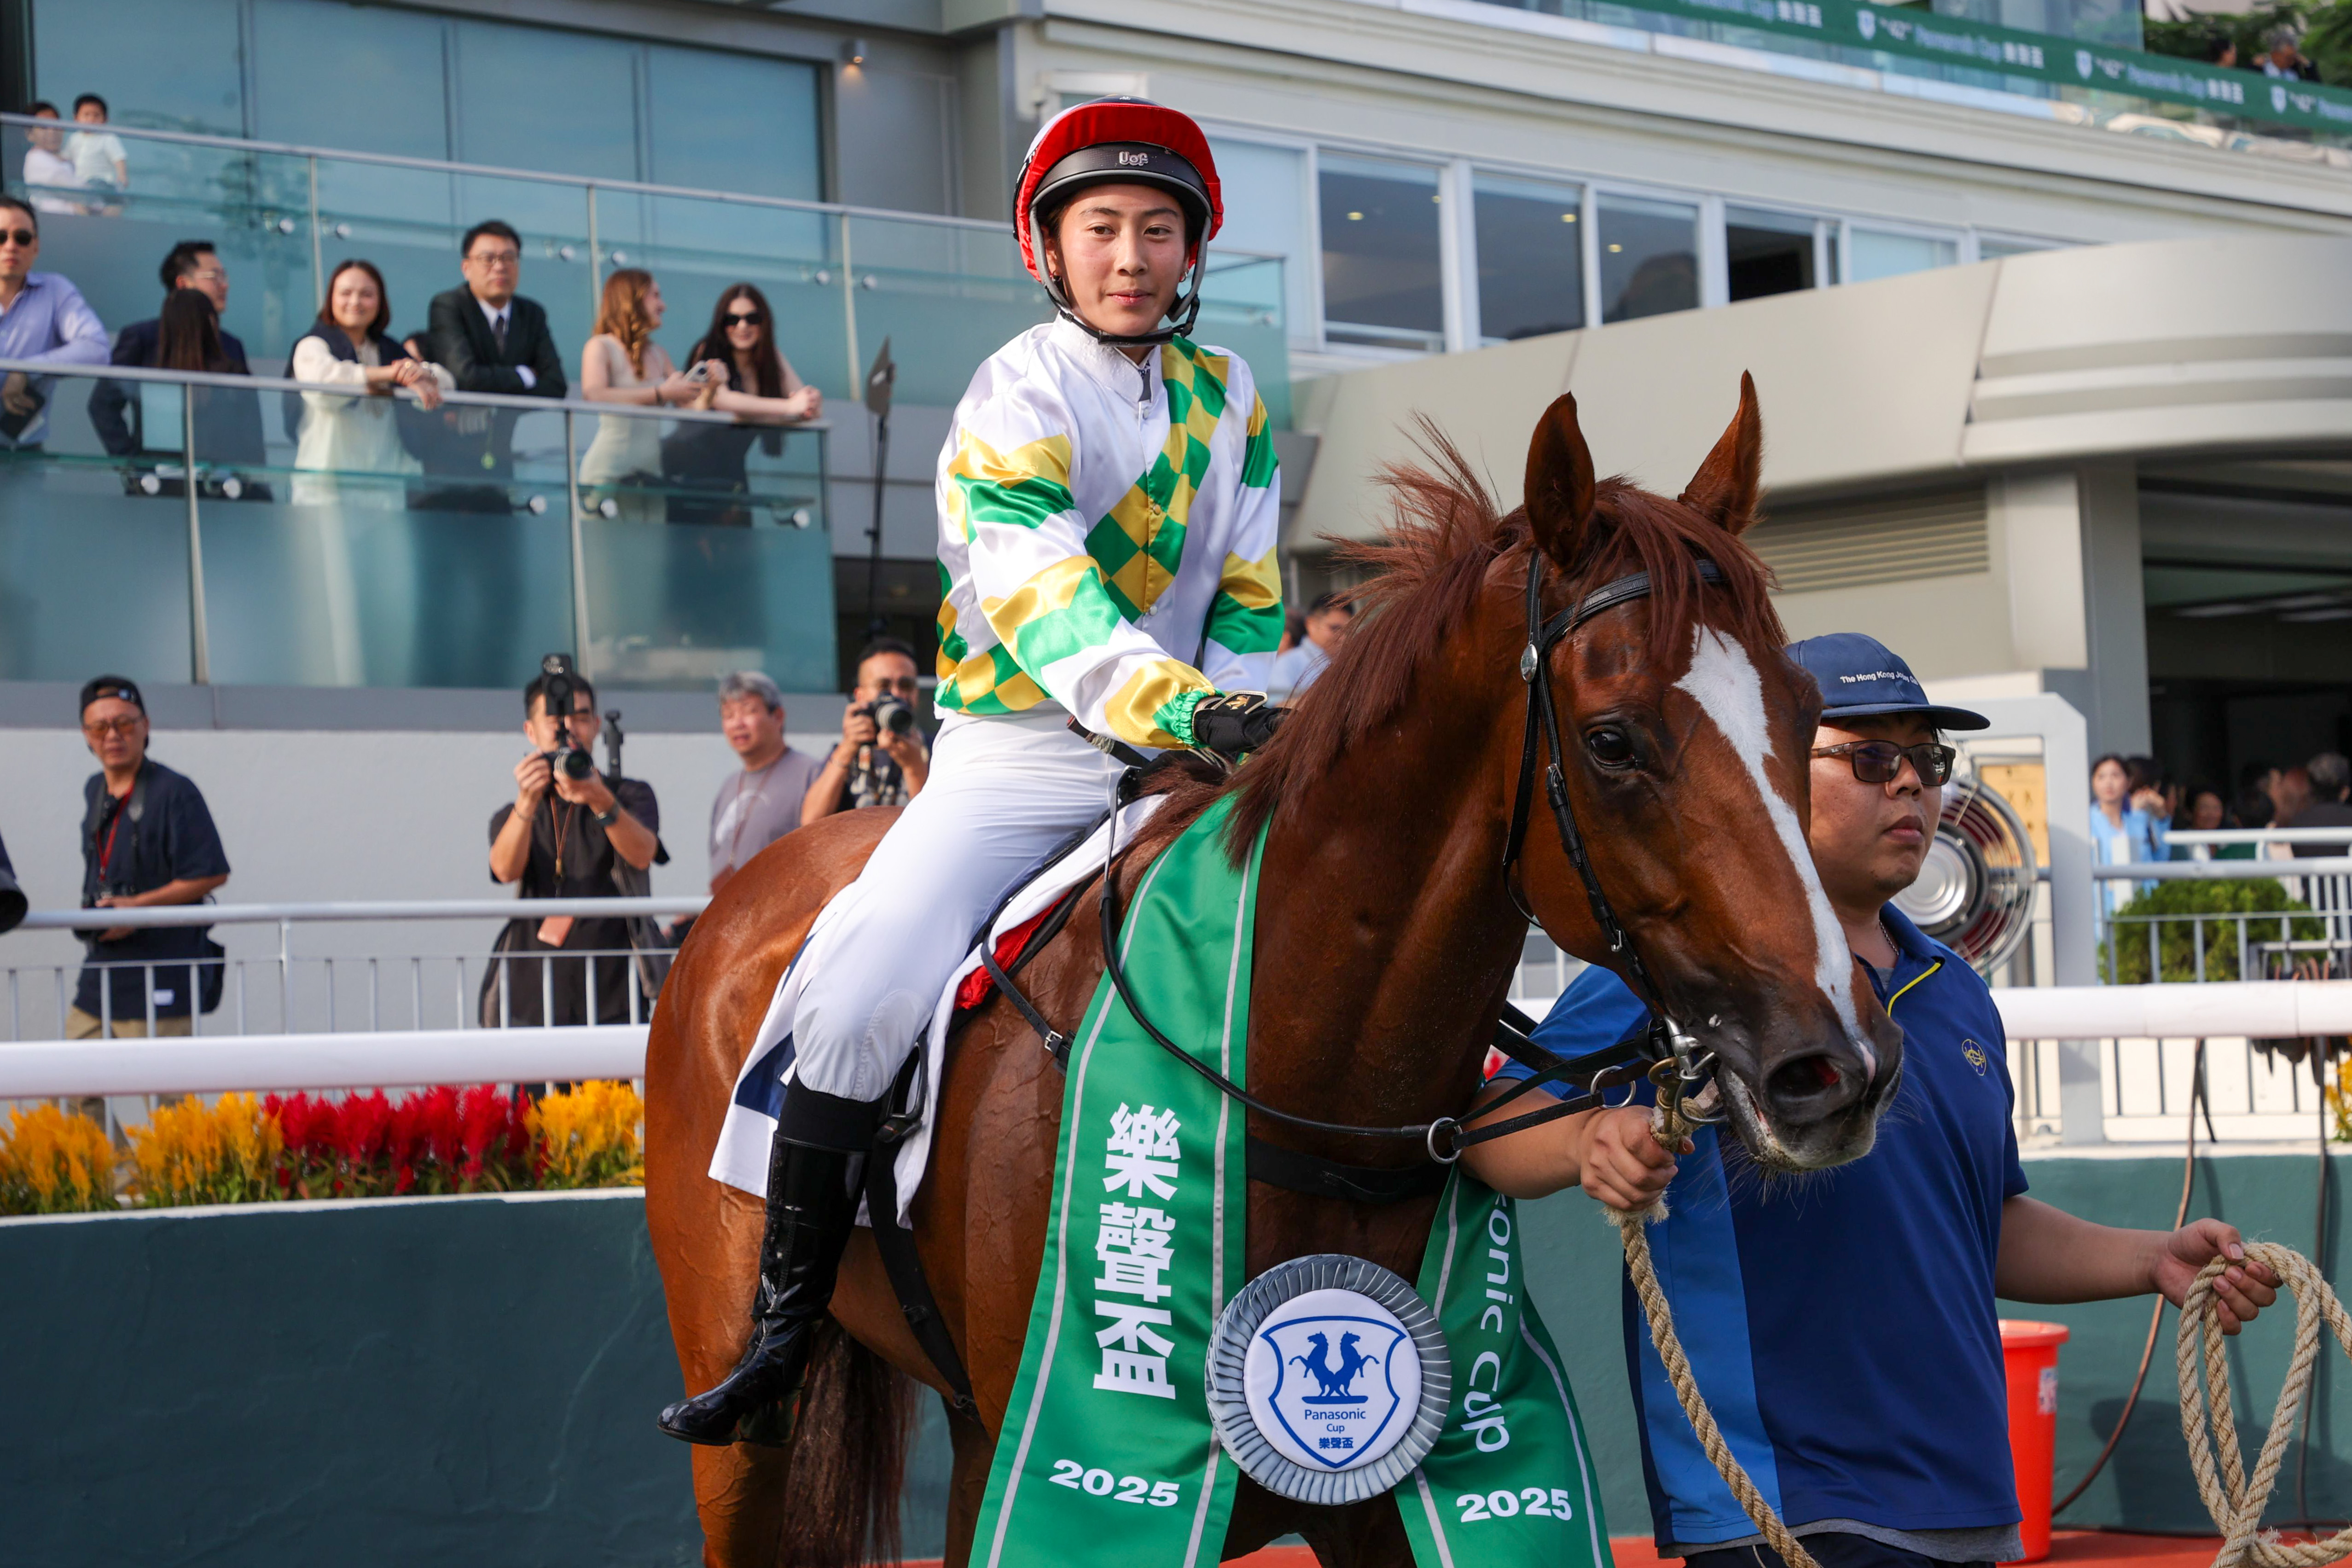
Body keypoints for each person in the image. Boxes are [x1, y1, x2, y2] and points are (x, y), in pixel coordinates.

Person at [658, 97, 1284, 1445]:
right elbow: (1041, 596)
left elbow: (1246, 586)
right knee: (857, 984)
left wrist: (1247, 703)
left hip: (1187, 763)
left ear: (1192, 252)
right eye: (1101, 228)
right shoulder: (1015, 388)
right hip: (1024, 761)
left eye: (1157, 230)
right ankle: (784, 1321)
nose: (1130, 255)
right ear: (1046, 251)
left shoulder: (1229, 396)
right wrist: (1194, 711)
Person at [1465, 632, 2280, 1568]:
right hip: (1780, 1508)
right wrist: (1587, 1141)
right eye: (1869, 756)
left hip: (1965, 1499)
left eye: (1926, 760)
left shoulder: (1955, 989)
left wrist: (2153, 1259)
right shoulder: (1686, 970)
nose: (1911, 786)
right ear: (1769, 766)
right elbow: (1495, 1129)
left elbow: (1983, 1221)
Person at [484, 665, 663, 1027]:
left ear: (596, 726)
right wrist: (526, 800)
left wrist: (599, 798)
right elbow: (504, 871)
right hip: (533, 987)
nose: (568, 729)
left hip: (613, 987)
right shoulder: (516, 809)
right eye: (555, 719)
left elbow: (643, 854)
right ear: (531, 732)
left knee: (615, 1085)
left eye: (580, 718)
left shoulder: (628, 794)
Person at [69, 676, 231, 1047]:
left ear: (146, 727)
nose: (113, 735)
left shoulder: (174, 791)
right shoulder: (95, 788)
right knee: (72, 1088)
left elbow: (212, 873)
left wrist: (136, 908)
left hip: (161, 967)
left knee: (166, 1098)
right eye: (99, 727)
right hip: (103, 965)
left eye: (125, 723)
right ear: (86, 735)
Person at [659, 283, 821, 527]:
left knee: (739, 553)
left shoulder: (770, 357)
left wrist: (810, 402)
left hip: (733, 471)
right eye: (732, 319)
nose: (742, 326)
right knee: (694, 552)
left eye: (752, 318)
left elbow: (803, 403)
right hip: (690, 470)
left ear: (763, 322)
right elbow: (723, 401)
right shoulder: (708, 351)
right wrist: (789, 408)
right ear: (721, 324)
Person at [291, 258, 450, 506]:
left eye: (366, 294)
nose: (355, 302)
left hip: (386, 488)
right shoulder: (313, 345)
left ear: (380, 302)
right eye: (345, 293)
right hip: (327, 490)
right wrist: (390, 375)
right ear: (330, 299)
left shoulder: (389, 350)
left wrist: (420, 374)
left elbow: (447, 384)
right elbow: (324, 385)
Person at [423, 218, 567, 482]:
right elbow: (466, 377)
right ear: (466, 268)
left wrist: (491, 380)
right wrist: (525, 376)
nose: (500, 267)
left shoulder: (531, 313)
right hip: (450, 462)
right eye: (488, 258)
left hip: (505, 456)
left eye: (509, 258)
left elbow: (556, 386)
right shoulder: (449, 306)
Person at [578, 267, 715, 524]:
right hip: (608, 473)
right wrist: (661, 392)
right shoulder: (601, 346)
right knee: (605, 560)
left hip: (651, 475)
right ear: (633, 297)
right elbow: (593, 394)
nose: (663, 305)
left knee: (649, 558)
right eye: (655, 295)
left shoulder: (659, 354)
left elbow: (691, 410)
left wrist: (713, 387)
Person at [90, 240, 250, 456]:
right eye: (214, 277)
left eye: (224, 276)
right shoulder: (143, 337)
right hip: (160, 476)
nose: (225, 285)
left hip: (221, 479)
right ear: (183, 284)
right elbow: (103, 405)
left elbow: (246, 421)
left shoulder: (232, 345)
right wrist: (133, 465)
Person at [0, 197, 109, 452]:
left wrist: (26, 370)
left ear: (35, 247)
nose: (11, 246)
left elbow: (97, 349)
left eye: (22, 238)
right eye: (1, 237)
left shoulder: (56, 291)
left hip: (22, 453)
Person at [708, 670, 825, 896]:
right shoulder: (729, 785)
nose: (737, 723)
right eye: (729, 715)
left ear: (778, 717)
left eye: (749, 712)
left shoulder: (812, 773)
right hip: (730, 915)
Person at [801, 637, 930, 824]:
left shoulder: (940, 749)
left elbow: (934, 825)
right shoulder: (847, 753)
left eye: (906, 685)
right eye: (883, 687)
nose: (897, 695)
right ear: (860, 697)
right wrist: (847, 748)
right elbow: (810, 821)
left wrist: (914, 768)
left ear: (916, 693)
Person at [2089, 751, 2160, 923]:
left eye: (2115, 775)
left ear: (2128, 782)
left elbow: (2157, 859)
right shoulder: (2085, 821)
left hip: (2141, 906)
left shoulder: (2138, 819)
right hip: (2101, 910)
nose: (2109, 782)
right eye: (2101, 777)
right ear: (2093, 784)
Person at [1266, 590, 1353, 699]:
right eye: (1335, 629)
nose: (1343, 637)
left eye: (1349, 630)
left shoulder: (1351, 663)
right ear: (1311, 624)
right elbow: (1278, 707)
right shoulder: (1288, 663)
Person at [67, 94, 129, 209]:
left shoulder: (108, 138)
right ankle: (85, 225)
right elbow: (67, 159)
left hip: (103, 184)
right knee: (79, 203)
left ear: (105, 119)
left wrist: (122, 176)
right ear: (76, 118)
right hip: (81, 184)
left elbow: (119, 158)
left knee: (113, 206)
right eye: (86, 115)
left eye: (96, 116)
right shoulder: (74, 138)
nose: (91, 120)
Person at [21, 104, 84, 215]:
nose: (52, 132)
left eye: (56, 125)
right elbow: (75, 192)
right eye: (44, 127)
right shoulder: (37, 159)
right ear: (30, 135)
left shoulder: (66, 158)